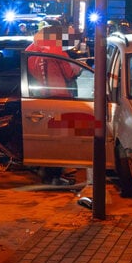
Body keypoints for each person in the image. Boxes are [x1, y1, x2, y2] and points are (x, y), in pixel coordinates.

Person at [25, 25, 83, 186]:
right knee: (60, 138)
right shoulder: (57, 51)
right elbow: (70, 73)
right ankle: (53, 176)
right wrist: (79, 68)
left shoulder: (32, 51)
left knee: (49, 137)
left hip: (42, 96)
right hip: (60, 97)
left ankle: (44, 169)